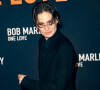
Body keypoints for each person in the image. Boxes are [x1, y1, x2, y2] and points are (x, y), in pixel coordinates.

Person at [18, 1, 77, 90]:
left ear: (57, 19)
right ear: (36, 26)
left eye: (50, 22)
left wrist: (27, 82)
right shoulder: (42, 41)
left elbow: (59, 88)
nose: (46, 28)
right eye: (41, 24)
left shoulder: (64, 48)